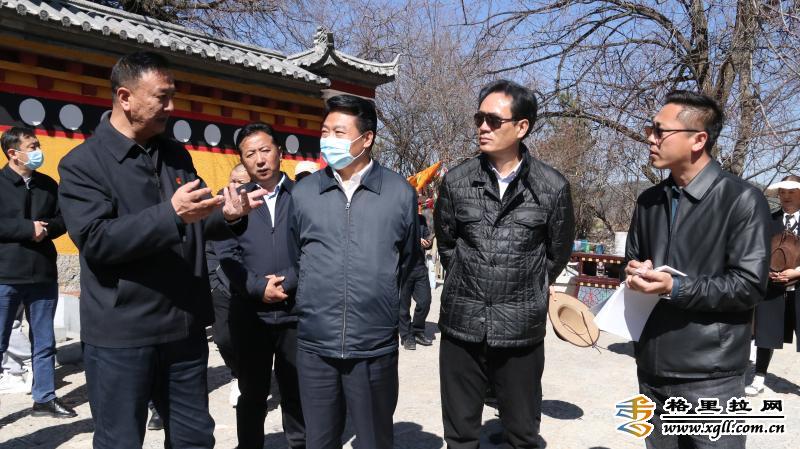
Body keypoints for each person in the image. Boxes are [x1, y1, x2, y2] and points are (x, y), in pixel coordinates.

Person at [57, 52, 265, 449]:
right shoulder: (82, 164)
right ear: (125, 97)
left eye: (173, 97)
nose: (171, 107)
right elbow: (97, 240)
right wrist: (170, 214)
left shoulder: (175, 155)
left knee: (195, 438)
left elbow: (194, 219)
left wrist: (229, 214)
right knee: (120, 441)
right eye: (162, 97)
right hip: (122, 333)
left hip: (183, 327)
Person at [624, 90, 770, 449]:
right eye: (650, 130)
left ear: (698, 139)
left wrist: (674, 287)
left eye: (660, 131)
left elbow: (749, 286)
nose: (650, 138)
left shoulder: (742, 200)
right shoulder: (648, 201)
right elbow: (632, 262)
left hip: (711, 377)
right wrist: (635, 272)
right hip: (651, 369)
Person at [434, 79, 575, 449]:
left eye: (494, 120)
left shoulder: (551, 187)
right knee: (460, 435)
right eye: (479, 118)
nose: (483, 127)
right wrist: (470, 279)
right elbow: (447, 245)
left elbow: (556, 254)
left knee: (522, 433)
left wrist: (524, 288)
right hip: (462, 325)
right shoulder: (457, 181)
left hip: (520, 329)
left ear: (522, 127)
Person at [289, 94, 418, 449]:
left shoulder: (398, 193)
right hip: (316, 344)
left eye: (339, 132)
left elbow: (407, 262)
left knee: (375, 440)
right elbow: (296, 256)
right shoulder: (304, 193)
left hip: (373, 345)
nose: (328, 140)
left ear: (367, 138)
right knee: (319, 440)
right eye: (324, 131)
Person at [214, 123, 305, 449]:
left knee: (296, 390)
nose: (260, 159)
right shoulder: (234, 202)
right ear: (242, 160)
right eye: (250, 153)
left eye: (265, 150)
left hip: (296, 312)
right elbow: (226, 253)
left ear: (279, 151)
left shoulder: (303, 197)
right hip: (250, 315)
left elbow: (314, 247)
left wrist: (288, 281)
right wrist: (256, 288)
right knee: (251, 393)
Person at [0, 126, 75, 417]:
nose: (38, 151)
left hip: (43, 273)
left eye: (37, 145)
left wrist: (46, 229)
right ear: (13, 153)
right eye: (32, 147)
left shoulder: (47, 184)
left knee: (44, 342)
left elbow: (62, 219)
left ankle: (44, 398)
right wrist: (26, 229)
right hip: (5, 275)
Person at [747, 175, 800, 396]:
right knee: (766, 333)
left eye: (792, 192)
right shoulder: (769, 221)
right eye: (783, 192)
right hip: (772, 287)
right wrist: (766, 271)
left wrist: (797, 272)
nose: (786, 196)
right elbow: (757, 251)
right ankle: (759, 377)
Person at [207, 163, 250, 408]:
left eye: (240, 182)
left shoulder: (258, 206)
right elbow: (208, 247)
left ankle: (252, 378)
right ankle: (238, 373)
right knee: (223, 338)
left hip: (252, 284)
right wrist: (213, 281)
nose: (234, 186)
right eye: (232, 180)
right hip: (222, 286)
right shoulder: (217, 205)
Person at [400, 210, 433, 350]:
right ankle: (406, 335)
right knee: (403, 306)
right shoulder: (399, 217)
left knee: (425, 301)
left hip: (419, 266)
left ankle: (418, 330)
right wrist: (415, 240)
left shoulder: (421, 219)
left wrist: (428, 243)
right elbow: (397, 239)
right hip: (403, 267)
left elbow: (427, 238)